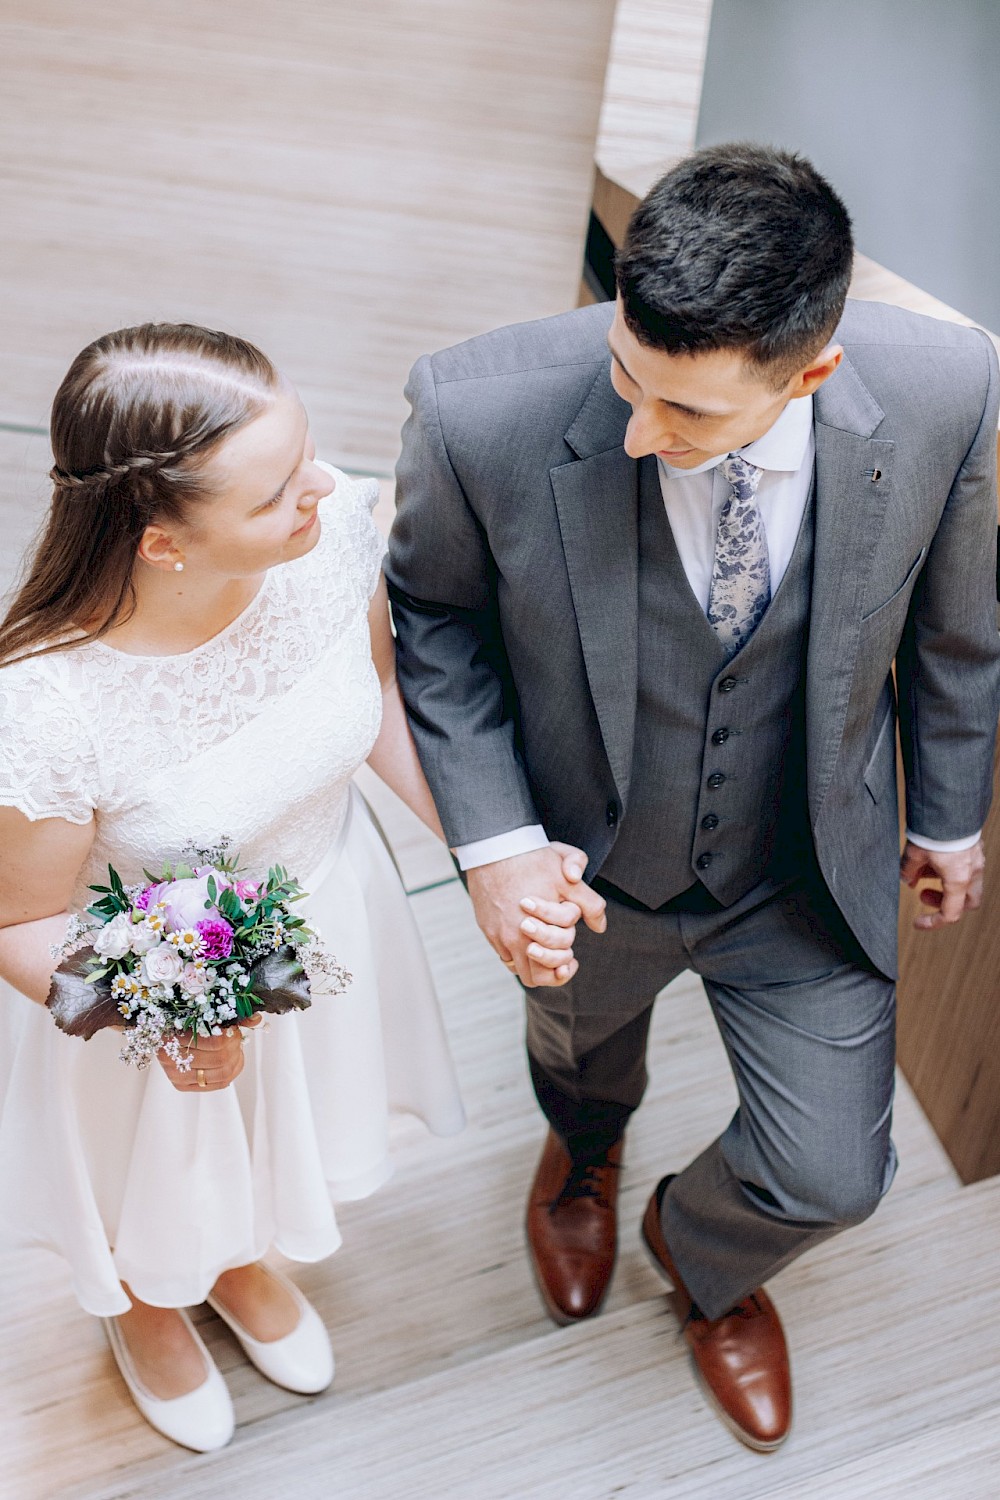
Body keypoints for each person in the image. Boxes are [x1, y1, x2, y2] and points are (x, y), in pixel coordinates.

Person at [386, 144, 1000, 1451]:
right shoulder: (471, 411)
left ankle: (700, 1253)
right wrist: (492, 844)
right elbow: (432, 617)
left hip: (806, 870)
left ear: (814, 371)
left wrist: (947, 812)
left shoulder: (954, 389)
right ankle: (586, 1148)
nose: (634, 431)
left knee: (836, 1176)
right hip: (583, 867)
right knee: (578, 1055)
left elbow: (956, 633)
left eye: (692, 415)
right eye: (626, 374)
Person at [0, 323, 582, 1452]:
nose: (324, 485)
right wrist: (154, 1014)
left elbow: (371, 708)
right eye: (277, 492)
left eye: (307, 451)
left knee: (282, 1135)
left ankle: (235, 1258)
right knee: (156, 1164)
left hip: (323, 905)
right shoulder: (47, 710)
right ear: (166, 544)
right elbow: (20, 919)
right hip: (147, 981)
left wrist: (489, 855)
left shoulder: (327, 539)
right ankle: (149, 1300)